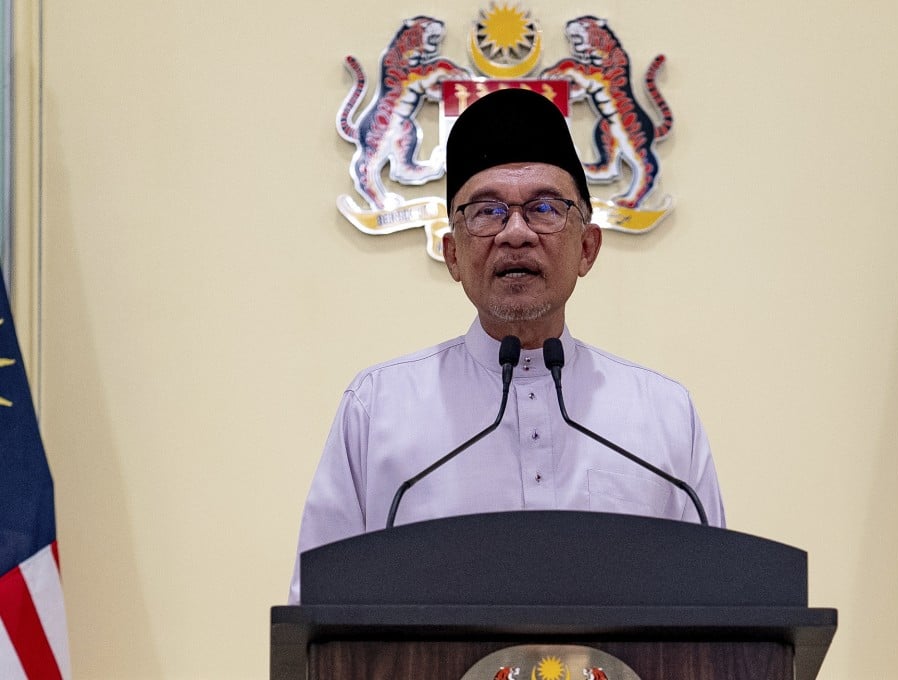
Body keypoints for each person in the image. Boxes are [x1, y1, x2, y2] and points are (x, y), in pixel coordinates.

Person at [288, 88, 724, 604]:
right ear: (452, 254)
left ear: (587, 247)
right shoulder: (378, 407)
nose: (515, 234)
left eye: (543, 208)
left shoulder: (663, 414)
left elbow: (718, 617)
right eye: (487, 211)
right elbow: (316, 616)